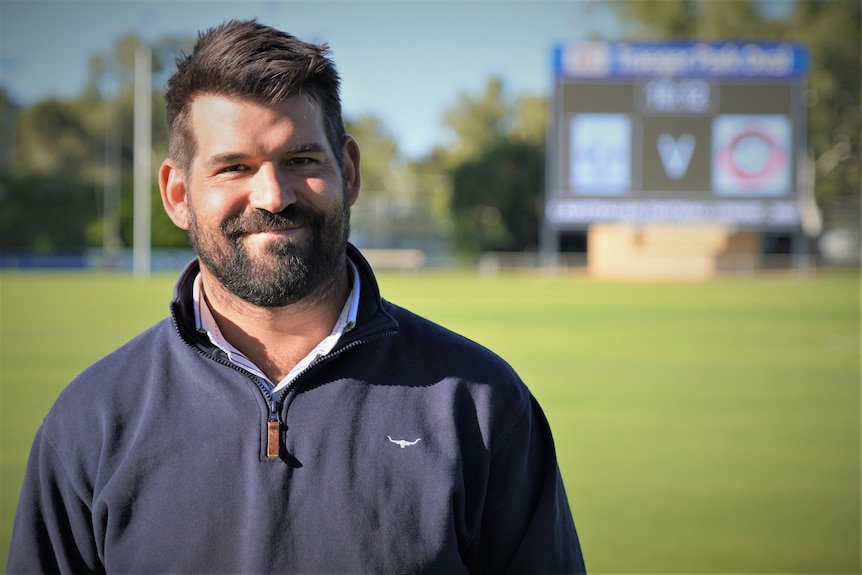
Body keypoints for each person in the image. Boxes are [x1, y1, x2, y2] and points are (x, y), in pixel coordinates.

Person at [8, 18, 586, 574]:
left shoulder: (480, 404)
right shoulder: (92, 420)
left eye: (301, 161)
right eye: (234, 167)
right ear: (178, 193)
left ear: (349, 171)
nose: (273, 195)